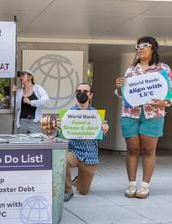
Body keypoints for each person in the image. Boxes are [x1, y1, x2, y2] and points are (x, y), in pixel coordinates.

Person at [115, 36, 172, 199]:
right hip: (130, 114)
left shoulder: (163, 69)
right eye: (138, 46)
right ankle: (131, 184)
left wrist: (165, 103)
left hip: (153, 115)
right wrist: (119, 87)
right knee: (132, 149)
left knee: (148, 150)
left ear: (153, 48)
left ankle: (145, 186)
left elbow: (170, 93)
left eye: (144, 45)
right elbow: (123, 95)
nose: (140, 48)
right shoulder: (131, 70)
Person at [64, 83, 109, 202]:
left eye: (85, 91)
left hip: (89, 155)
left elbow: (100, 139)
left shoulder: (97, 115)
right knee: (62, 160)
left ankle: (78, 181)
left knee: (84, 191)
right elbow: (62, 136)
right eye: (79, 91)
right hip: (73, 151)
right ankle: (67, 190)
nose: (81, 93)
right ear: (75, 94)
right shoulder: (68, 114)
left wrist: (104, 130)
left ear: (91, 95)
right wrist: (59, 129)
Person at [11, 69, 50, 133]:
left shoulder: (38, 88)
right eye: (20, 76)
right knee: (21, 142)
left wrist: (30, 102)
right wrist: (14, 94)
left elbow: (46, 99)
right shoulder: (19, 91)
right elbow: (15, 106)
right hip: (22, 122)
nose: (21, 77)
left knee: (36, 142)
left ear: (30, 77)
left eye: (23, 75)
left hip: (35, 122)